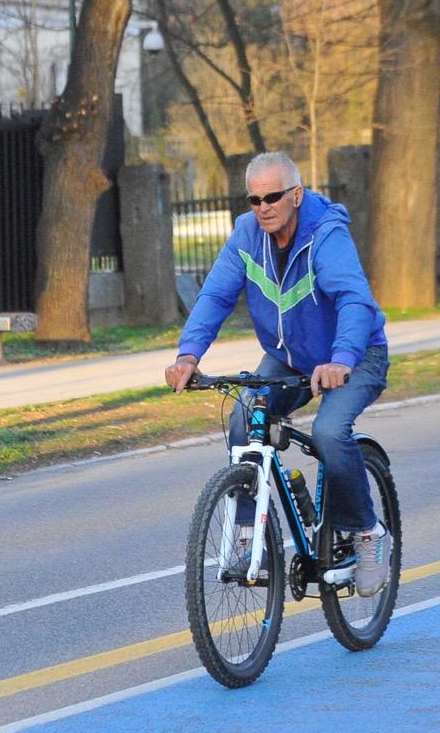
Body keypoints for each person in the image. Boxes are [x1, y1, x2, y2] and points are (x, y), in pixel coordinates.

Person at [165, 152, 391, 595]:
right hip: (290, 359)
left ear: (296, 195)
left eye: (272, 197)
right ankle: (253, 539)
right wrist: (188, 356)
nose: (263, 207)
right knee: (242, 417)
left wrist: (342, 359)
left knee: (328, 432)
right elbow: (214, 297)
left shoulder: (326, 234)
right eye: (254, 199)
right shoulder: (247, 236)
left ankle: (367, 532)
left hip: (356, 355)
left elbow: (354, 300)